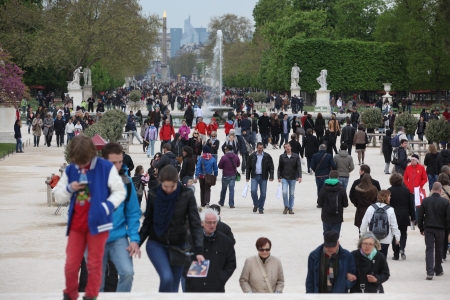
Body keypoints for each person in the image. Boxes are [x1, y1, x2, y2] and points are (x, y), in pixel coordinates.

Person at [53, 134, 126, 300]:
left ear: (91, 155)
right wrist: (70, 188)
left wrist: (107, 206)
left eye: (83, 160)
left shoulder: (105, 168)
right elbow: (58, 195)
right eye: (77, 161)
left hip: (98, 224)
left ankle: (91, 296)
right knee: (71, 265)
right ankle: (70, 294)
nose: (80, 164)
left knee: (94, 264)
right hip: (76, 226)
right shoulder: (71, 169)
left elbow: (120, 191)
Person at [139, 165, 205, 292]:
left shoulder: (187, 194)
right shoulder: (153, 193)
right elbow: (147, 222)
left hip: (179, 245)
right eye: (165, 187)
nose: (168, 190)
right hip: (156, 243)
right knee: (167, 278)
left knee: (174, 286)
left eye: (172, 187)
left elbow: (195, 224)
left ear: (177, 182)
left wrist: (199, 250)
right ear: (160, 183)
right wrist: (137, 243)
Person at [100, 143, 141, 292]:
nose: (117, 166)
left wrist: (135, 239)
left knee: (128, 273)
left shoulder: (126, 182)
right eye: (113, 163)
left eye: (120, 162)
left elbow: (133, 213)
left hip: (118, 237)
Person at [185, 209, 236, 293]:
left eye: (214, 222)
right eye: (209, 222)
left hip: (215, 289)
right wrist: (189, 278)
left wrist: (221, 278)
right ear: (202, 223)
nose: (212, 225)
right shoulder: (190, 240)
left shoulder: (226, 241)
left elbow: (231, 263)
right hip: (193, 289)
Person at [418, 182, 450, 280]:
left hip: (428, 228)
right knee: (439, 249)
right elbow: (448, 218)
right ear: (440, 190)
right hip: (440, 229)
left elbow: (420, 216)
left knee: (429, 249)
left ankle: (429, 272)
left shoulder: (425, 201)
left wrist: (421, 228)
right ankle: (438, 269)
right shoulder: (445, 202)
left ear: (432, 189)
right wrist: (446, 227)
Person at [360, 190, 401, 258]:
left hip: (372, 237)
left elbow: (364, 223)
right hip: (385, 237)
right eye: (389, 196)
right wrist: (397, 238)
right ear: (386, 197)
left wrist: (362, 235)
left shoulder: (371, 207)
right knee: (382, 259)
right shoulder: (390, 209)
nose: (390, 197)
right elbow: (394, 226)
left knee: (371, 258)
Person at [388, 173, 416, 260]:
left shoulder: (390, 190)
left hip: (393, 214)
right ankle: (402, 248)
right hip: (404, 214)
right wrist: (413, 217)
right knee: (403, 233)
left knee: (394, 234)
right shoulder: (406, 190)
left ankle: (396, 254)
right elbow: (411, 205)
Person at [246, 142, 275, 214]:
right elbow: (248, 167)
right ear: (256, 148)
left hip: (263, 176)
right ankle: (256, 204)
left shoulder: (267, 156)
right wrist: (247, 176)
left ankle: (261, 208)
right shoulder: (252, 156)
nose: (260, 150)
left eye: (261, 148)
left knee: (263, 194)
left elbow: (271, 167)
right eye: (259, 148)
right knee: (253, 191)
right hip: (254, 176)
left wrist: (271, 176)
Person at [278, 143, 302, 215]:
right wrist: (279, 176)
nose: (287, 148)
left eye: (288, 146)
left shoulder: (296, 156)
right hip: (284, 177)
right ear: (284, 149)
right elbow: (280, 167)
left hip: (293, 178)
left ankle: (290, 208)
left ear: (291, 147)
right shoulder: (282, 156)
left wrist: (299, 176)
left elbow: (298, 167)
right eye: (285, 147)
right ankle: (286, 206)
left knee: (291, 194)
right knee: (284, 192)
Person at [404, 154, 428, 221]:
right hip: (410, 190)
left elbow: (425, 178)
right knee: (411, 205)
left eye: (413, 160)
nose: (412, 161)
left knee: (418, 205)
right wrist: (407, 185)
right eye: (411, 160)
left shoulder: (421, 168)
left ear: (417, 160)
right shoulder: (408, 168)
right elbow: (405, 178)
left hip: (418, 190)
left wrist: (420, 185)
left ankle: (417, 219)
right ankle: (412, 218)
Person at [438, 173, 450, 260]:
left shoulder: (436, 189)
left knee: (440, 235)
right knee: (447, 234)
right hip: (448, 214)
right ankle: (445, 253)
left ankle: (441, 254)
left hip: (439, 214)